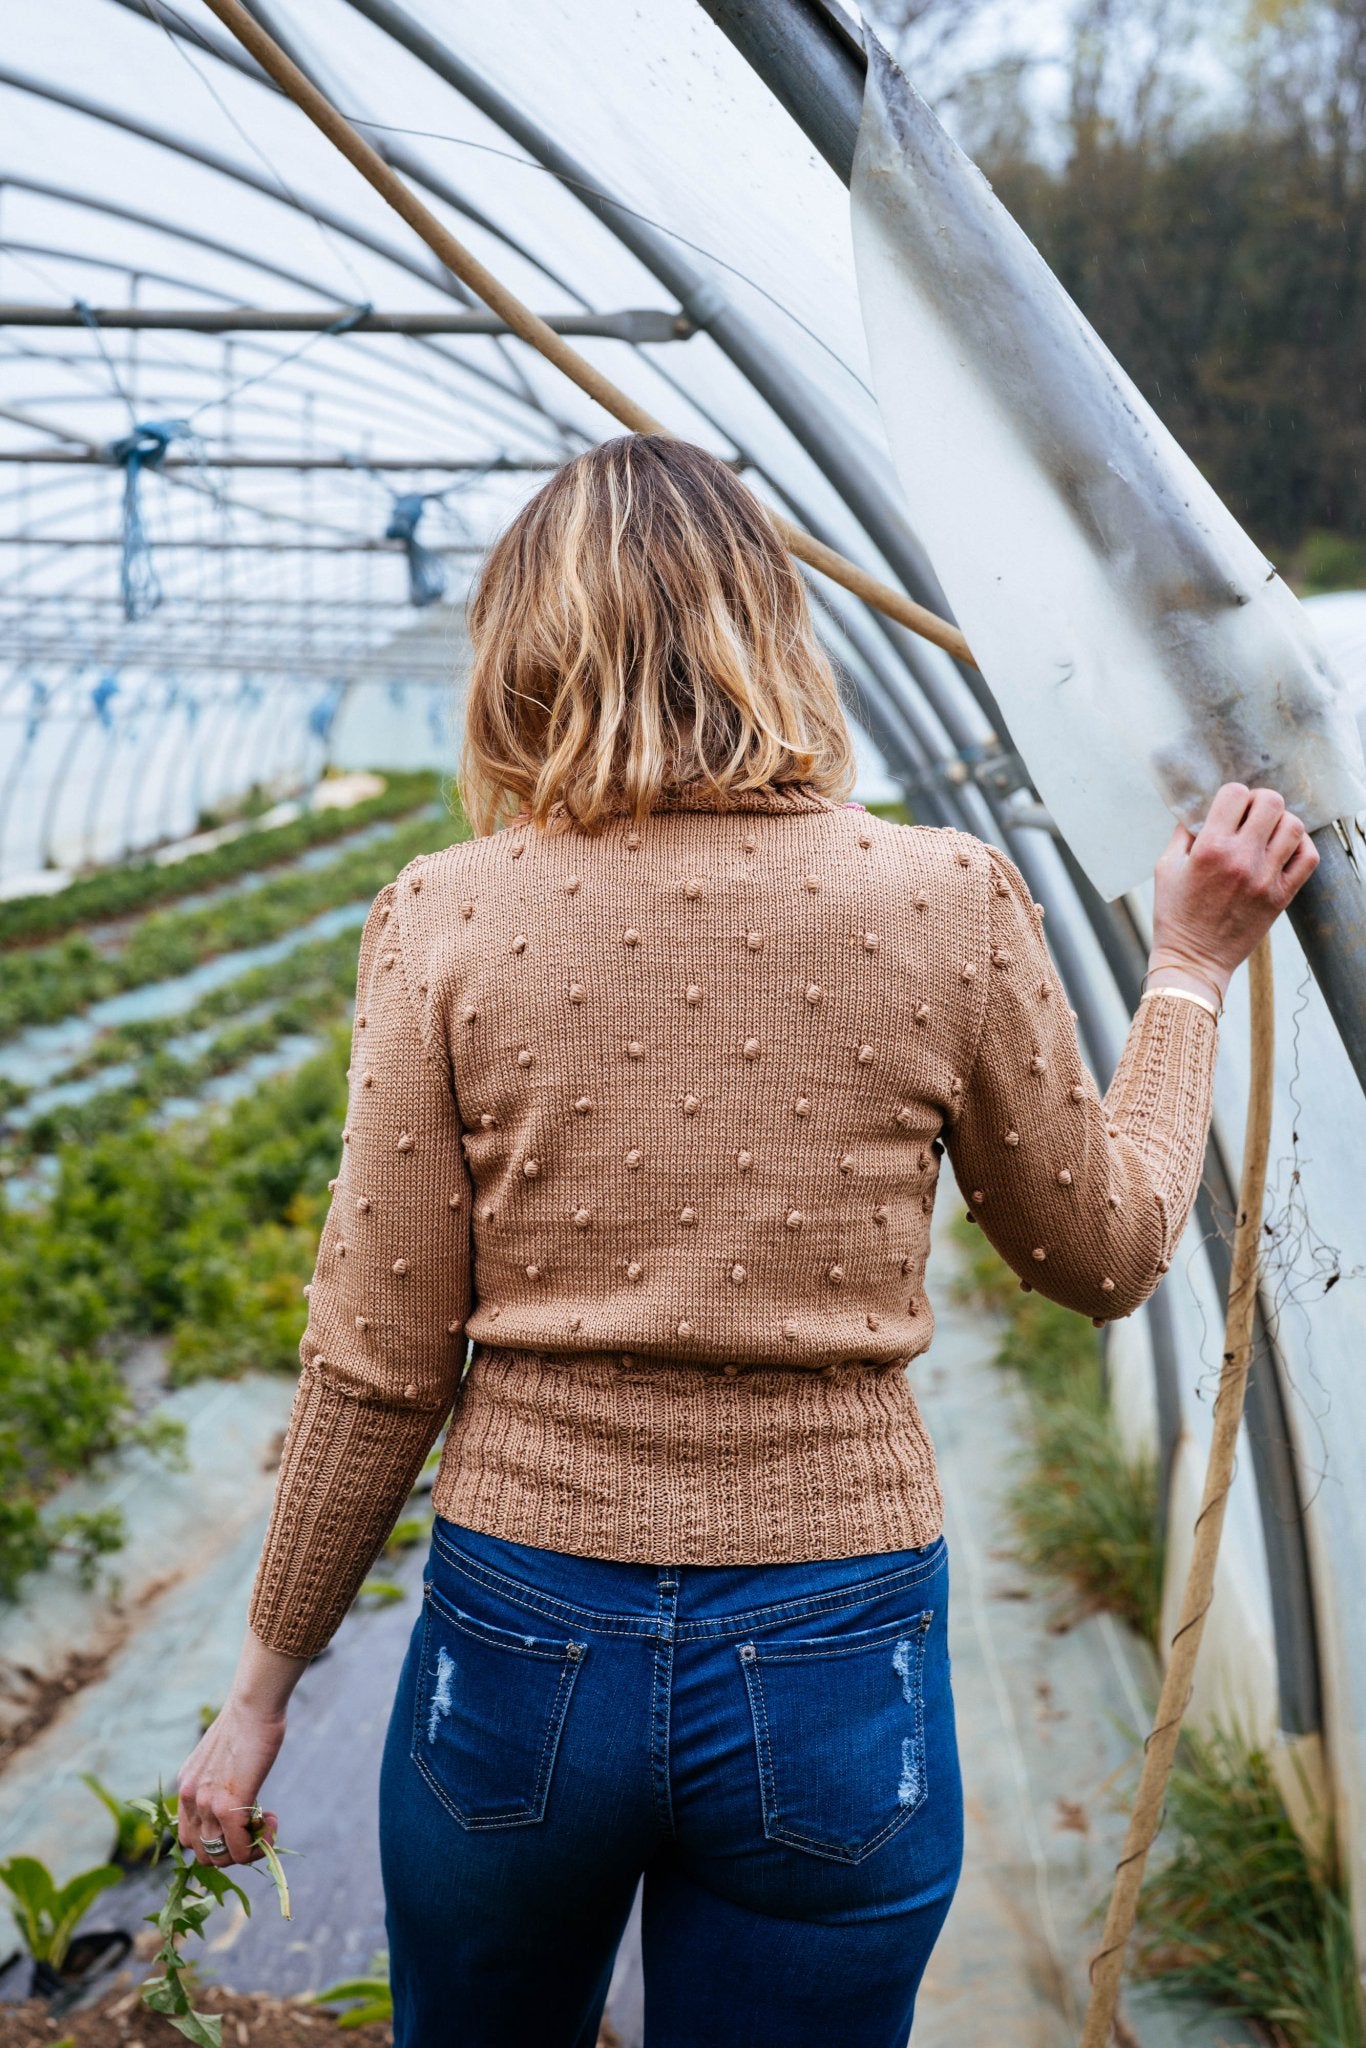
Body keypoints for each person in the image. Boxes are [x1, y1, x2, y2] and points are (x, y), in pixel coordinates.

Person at [175, 436, 1318, 2048]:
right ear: (773, 634)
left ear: (524, 656)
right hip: (832, 1644)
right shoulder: (944, 898)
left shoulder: (443, 913)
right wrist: (1186, 970)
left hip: (517, 1632)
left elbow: (375, 1363)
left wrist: (259, 1693)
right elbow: (1110, 1253)